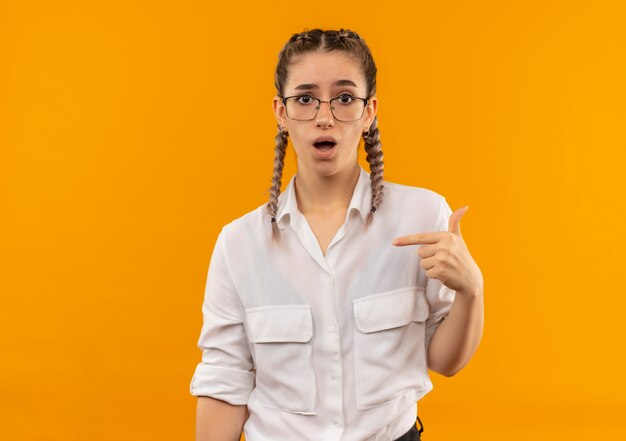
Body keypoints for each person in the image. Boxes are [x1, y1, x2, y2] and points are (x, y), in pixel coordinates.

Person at [190, 27, 484, 441]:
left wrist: (472, 289)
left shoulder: (423, 216)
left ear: (369, 112)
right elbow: (225, 382)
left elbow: (445, 360)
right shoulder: (238, 244)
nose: (324, 116)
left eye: (344, 98)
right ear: (281, 111)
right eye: (305, 98)